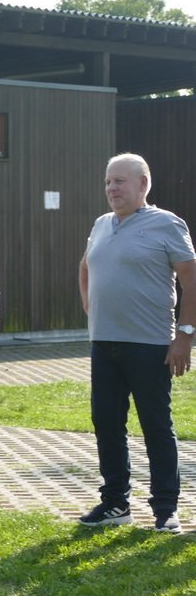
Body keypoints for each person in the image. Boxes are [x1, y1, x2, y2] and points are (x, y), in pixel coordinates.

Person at [78, 153, 196, 534]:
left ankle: (166, 510)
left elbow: (191, 280)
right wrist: (91, 308)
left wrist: (186, 336)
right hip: (104, 344)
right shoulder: (100, 224)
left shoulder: (166, 224)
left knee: (156, 426)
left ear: (143, 184)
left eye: (121, 181)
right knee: (107, 424)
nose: (112, 188)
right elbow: (85, 267)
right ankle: (115, 504)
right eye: (108, 181)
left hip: (150, 345)